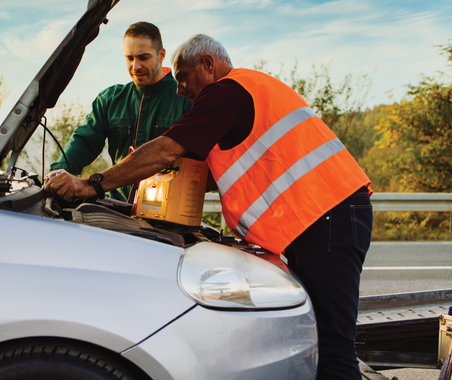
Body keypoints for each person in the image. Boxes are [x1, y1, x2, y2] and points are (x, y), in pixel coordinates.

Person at [46, 34, 373, 380]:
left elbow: (167, 149)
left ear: (208, 65)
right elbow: (205, 172)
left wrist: (91, 184)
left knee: (335, 351)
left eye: (183, 78)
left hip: (329, 217)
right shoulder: (243, 95)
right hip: (322, 220)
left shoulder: (226, 91)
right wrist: (149, 171)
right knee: (319, 342)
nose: (179, 90)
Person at [47, 21, 191, 202]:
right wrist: (59, 173)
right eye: (130, 58)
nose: (135, 66)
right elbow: (83, 141)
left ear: (161, 55)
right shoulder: (110, 99)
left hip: (167, 215)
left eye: (143, 57)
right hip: (115, 207)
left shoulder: (185, 99)